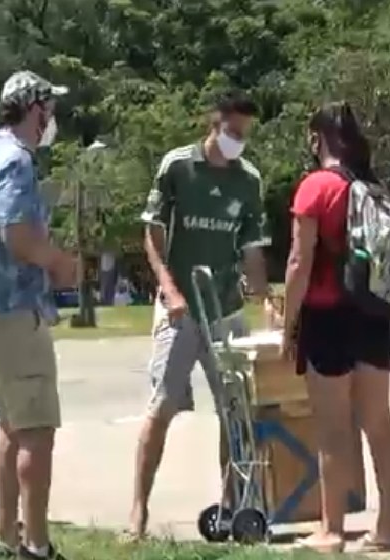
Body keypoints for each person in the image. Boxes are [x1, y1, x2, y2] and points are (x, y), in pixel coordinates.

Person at [129, 90, 274, 538]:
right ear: (214, 122)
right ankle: (138, 512)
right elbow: (152, 232)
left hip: (225, 310)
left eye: (245, 134)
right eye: (233, 131)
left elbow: (252, 250)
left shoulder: (248, 180)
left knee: (236, 412)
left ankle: (233, 507)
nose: (238, 141)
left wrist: (265, 295)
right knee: (163, 405)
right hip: (180, 308)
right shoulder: (178, 166)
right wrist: (168, 289)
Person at [0, 70, 77, 560]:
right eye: (51, 109)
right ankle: (37, 546)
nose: (53, 119)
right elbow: (20, 236)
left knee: (8, 429)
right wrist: (61, 262)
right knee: (36, 432)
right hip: (12, 310)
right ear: (36, 110)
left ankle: (6, 543)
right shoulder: (17, 162)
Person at [280, 101, 390, 554]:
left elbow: (300, 261)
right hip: (374, 316)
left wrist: (288, 322)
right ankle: (389, 526)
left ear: (318, 140)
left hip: (328, 316)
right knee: (378, 421)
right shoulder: (374, 188)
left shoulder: (316, 186)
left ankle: (331, 531)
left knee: (333, 428)